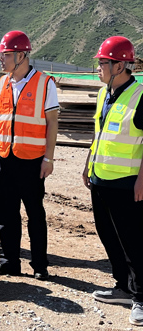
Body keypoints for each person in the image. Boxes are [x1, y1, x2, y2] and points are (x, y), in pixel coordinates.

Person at [0, 30, 58, 280]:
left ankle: (39, 265)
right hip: (5, 158)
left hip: (32, 161)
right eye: (1, 54)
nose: (1, 59)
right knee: (6, 213)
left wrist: (48, 158)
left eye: (5, 55)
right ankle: (9, 261)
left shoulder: (45, 83)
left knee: (34, 213)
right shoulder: (1, 83)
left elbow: (52, 123)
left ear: (22, 55)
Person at [82, 36, 143, 326]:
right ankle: (123, 287)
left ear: (119, 65)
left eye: (102, 63)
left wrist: (142, 180)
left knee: (133, 241)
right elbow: (99, 134)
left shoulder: (140, 96)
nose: (98, 68)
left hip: (127, 183)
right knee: (108, 235)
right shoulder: (103, 94)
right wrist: (88, 164)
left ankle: (141, 297)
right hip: (100, 179)